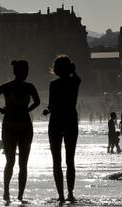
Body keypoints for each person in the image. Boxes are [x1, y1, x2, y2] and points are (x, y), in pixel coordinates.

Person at [0, 60, 40, 203]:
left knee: (10, 161)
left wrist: (2, 110)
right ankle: (20, 195)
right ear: (24, 72)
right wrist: (27, 110)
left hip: (9, 124)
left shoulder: (6, 86)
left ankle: (7, 192)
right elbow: (37, 102)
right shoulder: (29, 87)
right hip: (25, 125)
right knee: (23, 163)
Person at [42, 55, 81, 204]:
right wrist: (72, 68)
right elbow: (76, 75)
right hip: (70, 119)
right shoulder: (75, 82)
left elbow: (51, 105)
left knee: (56, 161)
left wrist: (47, 110)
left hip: (56, 121)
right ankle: (70, 194)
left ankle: (61, 195)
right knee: (70, 160)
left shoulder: (54, 84)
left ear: (56, 70)